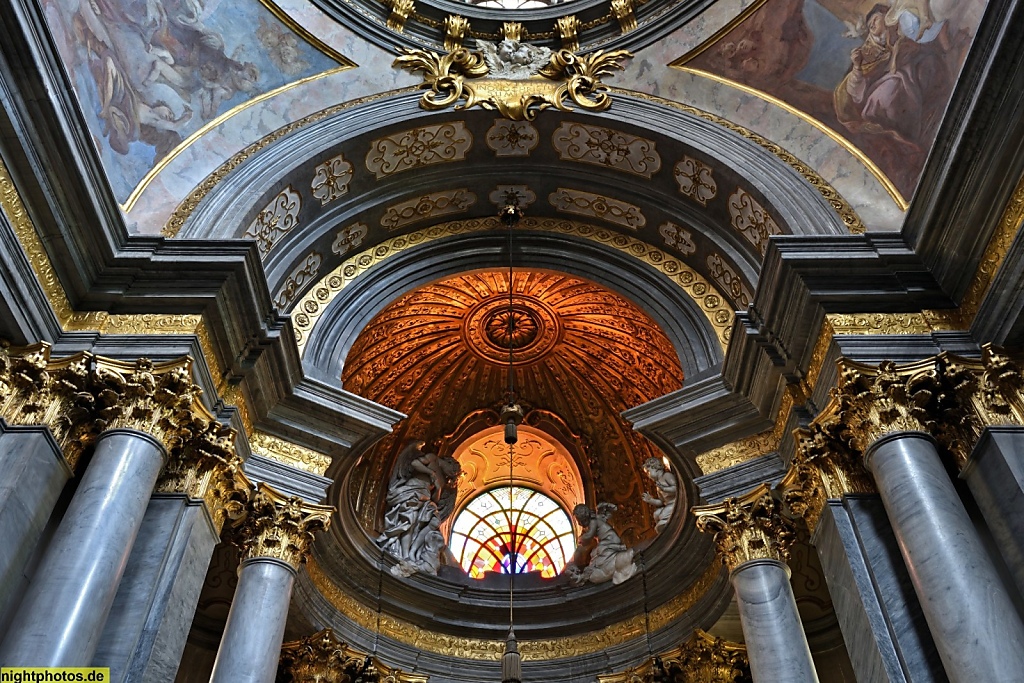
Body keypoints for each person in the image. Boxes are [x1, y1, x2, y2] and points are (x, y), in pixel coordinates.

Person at [568, 503, 636, 585]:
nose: (579, 524)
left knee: (600, 550)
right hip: (607, 540)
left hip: (610, 539)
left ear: (583, 518)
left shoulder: (593, 521)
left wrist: (581, 538)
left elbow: (589, 535)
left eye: (579, 521)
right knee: (595, 553)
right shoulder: (595, 519)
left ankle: (609, 560)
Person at [641, 457, 678, 533]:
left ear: (655, 467)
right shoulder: (658, 485)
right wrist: (651, 500)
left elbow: (677, 488)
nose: (648, 475)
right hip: (668, 505)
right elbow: (661, 502)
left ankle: (665, 523)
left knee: (663, 514)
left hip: (675, 502)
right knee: (656, 514)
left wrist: (664, 489)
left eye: (648, 472)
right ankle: (663, 527)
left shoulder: (666, 476)